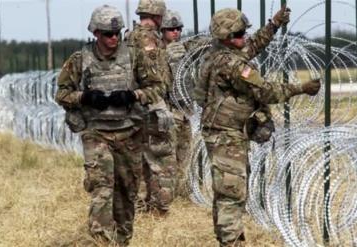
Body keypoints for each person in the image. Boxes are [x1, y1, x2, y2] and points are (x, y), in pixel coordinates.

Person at [196, 7, 321, 247]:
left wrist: (273, 25)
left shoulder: (217, 53)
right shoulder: (233, 65)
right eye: (239, 33)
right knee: (231, 195)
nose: (244, 36)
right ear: (226, 36)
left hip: (221, 133)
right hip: (227, 137)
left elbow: (251, 46)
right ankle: (231, 242)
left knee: (227, 192)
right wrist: (300, 88)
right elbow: (265, 90)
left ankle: (229, 239)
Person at [55, 5, 146, 246]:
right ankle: (101, 242)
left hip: (130, 133)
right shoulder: (80, 60)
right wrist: (84, 97)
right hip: (96, 134)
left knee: (127, 194)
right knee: (102, 190)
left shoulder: (134, 56)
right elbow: (62, 94)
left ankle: (122, 240)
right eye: (108, 33)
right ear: (96, 33)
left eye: (117, 32)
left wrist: (134, 96)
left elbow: (157, 89)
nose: (114, 38)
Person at [127, 0, 176, 215]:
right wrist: (158, 104)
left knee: (143, 159)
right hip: (150, 106)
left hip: (137, 106)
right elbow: (150, 75)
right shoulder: (147, 38)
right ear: (157, 15)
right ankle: (158, 209)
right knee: (162, 160)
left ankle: (143, 205)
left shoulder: (130, 35)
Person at [160, 9, 192, 196]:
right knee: (168, 156)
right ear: (162, 31)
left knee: (185, 153)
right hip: (168, 110)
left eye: (178, 29)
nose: (176, 33)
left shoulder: (184, 51)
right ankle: (167, 193)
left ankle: (182, 191)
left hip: (186, 110)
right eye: (171, 29)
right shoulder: (156, 54)